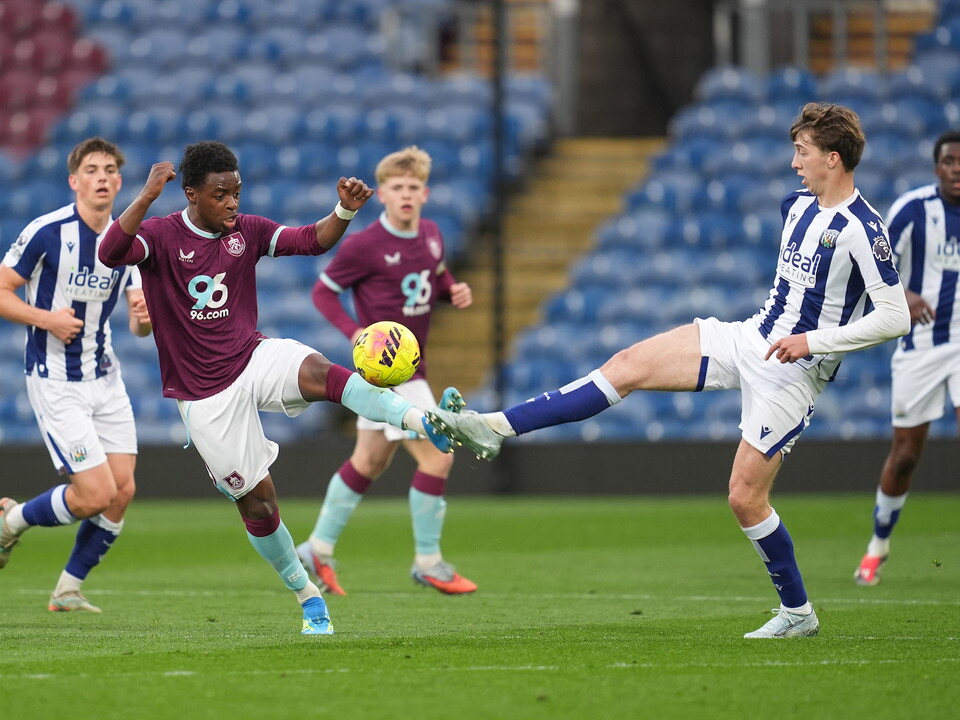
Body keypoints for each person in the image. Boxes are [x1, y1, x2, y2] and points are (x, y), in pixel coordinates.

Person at [427, 102, 912, 638]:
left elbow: (893, 317)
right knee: (627, 365)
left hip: (793, 373)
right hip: (750, 337)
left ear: (835, 159)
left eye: (803, 152)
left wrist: (813, 342)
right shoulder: (796, 205)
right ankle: (493, 426)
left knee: (745, 498)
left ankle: (798, 613)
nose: (795, 163)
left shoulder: (863, 228)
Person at [95, 141, 453, 635]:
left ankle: (423, 420)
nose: (233, 203)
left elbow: (312, 241)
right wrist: (146, 197)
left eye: (237, 192)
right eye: (222, 194)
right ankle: (306, 593)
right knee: (259, 504)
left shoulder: (248, 230)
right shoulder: (158, 235)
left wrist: (345, 210)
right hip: (204, 396)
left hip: (252, 355)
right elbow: (110, 252)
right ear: (192, 194)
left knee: (318, 370)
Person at [297, 146, 476, 596]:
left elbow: (435, 272)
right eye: (397, 188)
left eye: (414, 187)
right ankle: (429, 562)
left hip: (414, 367)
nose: (406, 195)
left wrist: (452, 288)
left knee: (370, 460)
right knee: (439, 456)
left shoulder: (432, 234)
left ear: (426, 193)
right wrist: (355, 333)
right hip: (393, 375)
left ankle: (317, 548)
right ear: (382, 195)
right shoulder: (363, 245)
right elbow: (323, 293)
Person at [0, 137, 152, 613]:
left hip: (105, 377)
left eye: (110, 169)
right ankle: (12, 523)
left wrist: (144, 320)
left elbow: (136, 322)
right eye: (91, 169)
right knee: (94, 494)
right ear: (74, 181)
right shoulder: (48, 232)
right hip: (56, 379)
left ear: (120, 181)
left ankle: (67, 589)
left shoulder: (127, 240)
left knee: (122, 490)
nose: (102, 177)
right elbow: (3, 289)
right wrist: (46, 319)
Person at [853, 130, 960, 586]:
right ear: (937, 168)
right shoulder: (913, 211)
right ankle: (878, 546)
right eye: (950, 162)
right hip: (920, 348)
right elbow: (870, 265)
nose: (958, 169)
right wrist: (906, 295)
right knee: (905, 456)